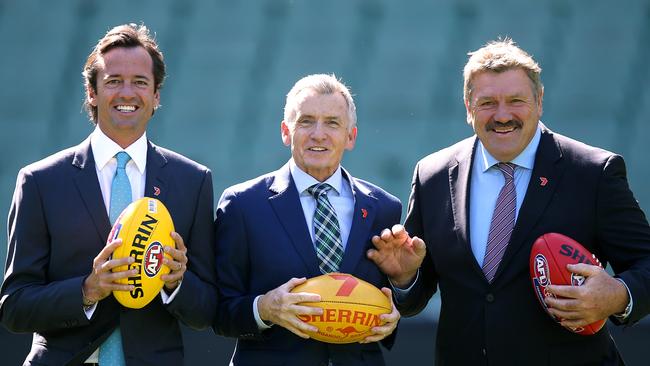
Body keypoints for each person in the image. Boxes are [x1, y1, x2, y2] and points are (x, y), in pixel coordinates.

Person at [367, 39, 650, 365]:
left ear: (539, 101)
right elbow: (418, 293)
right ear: (467, 105)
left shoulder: (592, 173)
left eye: (516, 101)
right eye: (488, 103)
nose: (503, 116)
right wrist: (405, 279)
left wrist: (617, 295)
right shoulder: (433, 174)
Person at [0, 24, 217, 365]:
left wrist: (177, 283)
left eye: (140, 82)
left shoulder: (192, 181)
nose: (127, 93)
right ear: (92, 91)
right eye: (113, 81)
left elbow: (206, 310)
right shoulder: (40, 181)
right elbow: (15, 307)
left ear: (156, 95)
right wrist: (88, 290)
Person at [214, 74, 402, 365]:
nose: (318, 134)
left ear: (350, 136)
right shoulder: (243, 205)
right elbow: (218, 310)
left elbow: (393, 300)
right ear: (286, 132)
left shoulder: (384, 208)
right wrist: (264, 308)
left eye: (332, 123)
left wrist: (395, 308)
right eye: (306, 121)